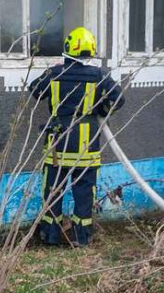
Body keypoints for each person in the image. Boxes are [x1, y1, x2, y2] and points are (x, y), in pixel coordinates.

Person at [29, 27, 125, 246]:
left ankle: (50, 236)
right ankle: (81, 238)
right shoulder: (98, 76)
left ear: (67, 48)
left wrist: (52, 74)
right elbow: (118, 99)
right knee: (84, 194)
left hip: (58, 143)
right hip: (86, 145)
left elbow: (35, 91)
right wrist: (101, 111)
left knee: (52, 191)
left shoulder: (55, 73)